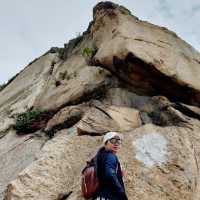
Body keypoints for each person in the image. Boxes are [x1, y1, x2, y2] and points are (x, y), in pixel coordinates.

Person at [94, 132, 128, 200]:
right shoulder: (111, 156)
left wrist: (119, 174)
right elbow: (110, 174)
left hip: (101, 196)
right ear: (106, 142)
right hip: (111, 196)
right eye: (113, 141)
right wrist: (121, 192)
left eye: (118, 141)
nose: (116, 144)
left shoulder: (99, 155)